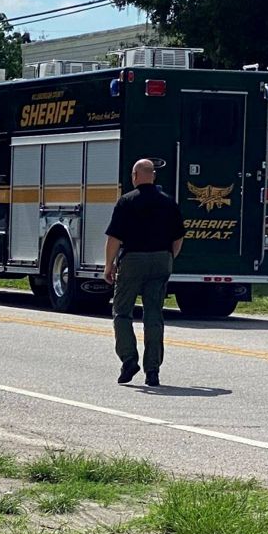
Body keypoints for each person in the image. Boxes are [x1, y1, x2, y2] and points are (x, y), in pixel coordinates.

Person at [104, 159, 185, 388]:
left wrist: (108, 265)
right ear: (153, 176)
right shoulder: (168, 203)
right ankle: (153, 370)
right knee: (153, 315)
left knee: (122, 311)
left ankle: (129, 359)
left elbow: (114, 238)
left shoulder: (127, 202)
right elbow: (178, 236)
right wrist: (169, 257)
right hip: (161, 260)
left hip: (133, 260)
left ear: (135, 176)